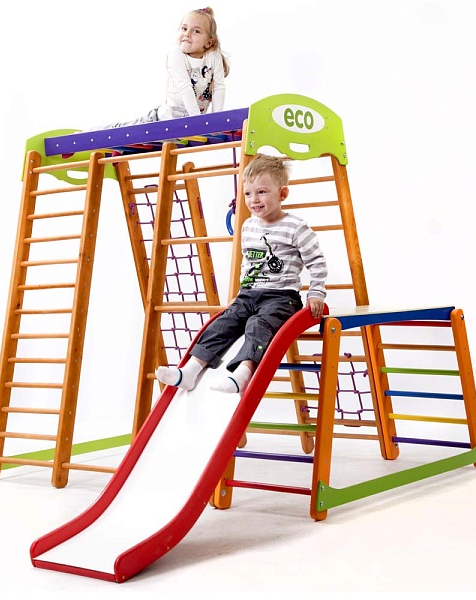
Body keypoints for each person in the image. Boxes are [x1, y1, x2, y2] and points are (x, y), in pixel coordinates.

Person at [155, 154, 328, 395]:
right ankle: (190, 371)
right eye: (248, 193)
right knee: (223, 322)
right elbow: (248, 264)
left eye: (262, 192)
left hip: (281, 298)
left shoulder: (295, 227)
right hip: (249, 294)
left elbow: (317, 261)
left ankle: (243, 373)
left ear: (282, 194)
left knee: (258, 324)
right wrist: (240, 294)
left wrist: (316, 293)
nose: (254, 199)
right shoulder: (248, 226)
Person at [98, 7, 229, 129]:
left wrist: (216, 121)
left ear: (209, 42)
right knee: (124, 130)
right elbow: (185, 87)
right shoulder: (176, 53)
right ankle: (91, 133)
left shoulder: (213, 56)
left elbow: (219, 87)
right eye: (184, 28)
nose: (187, 34)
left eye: (196, 31)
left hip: (186, 126)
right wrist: (198, 122)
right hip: (160, 120)